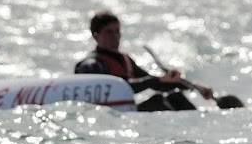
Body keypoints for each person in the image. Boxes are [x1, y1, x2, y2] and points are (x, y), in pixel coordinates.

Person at [75, 10, 214, 111]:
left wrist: (194, 86)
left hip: (128, 113)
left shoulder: (125, 60)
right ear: (95, 36)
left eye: (117, 31)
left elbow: (153, 83)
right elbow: (122, 87)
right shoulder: (91, 65)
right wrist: (156, 80)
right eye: (109, 32)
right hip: (108, 117)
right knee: (158, 102)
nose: (115, 36)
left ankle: (206, 127)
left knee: (175, 96)